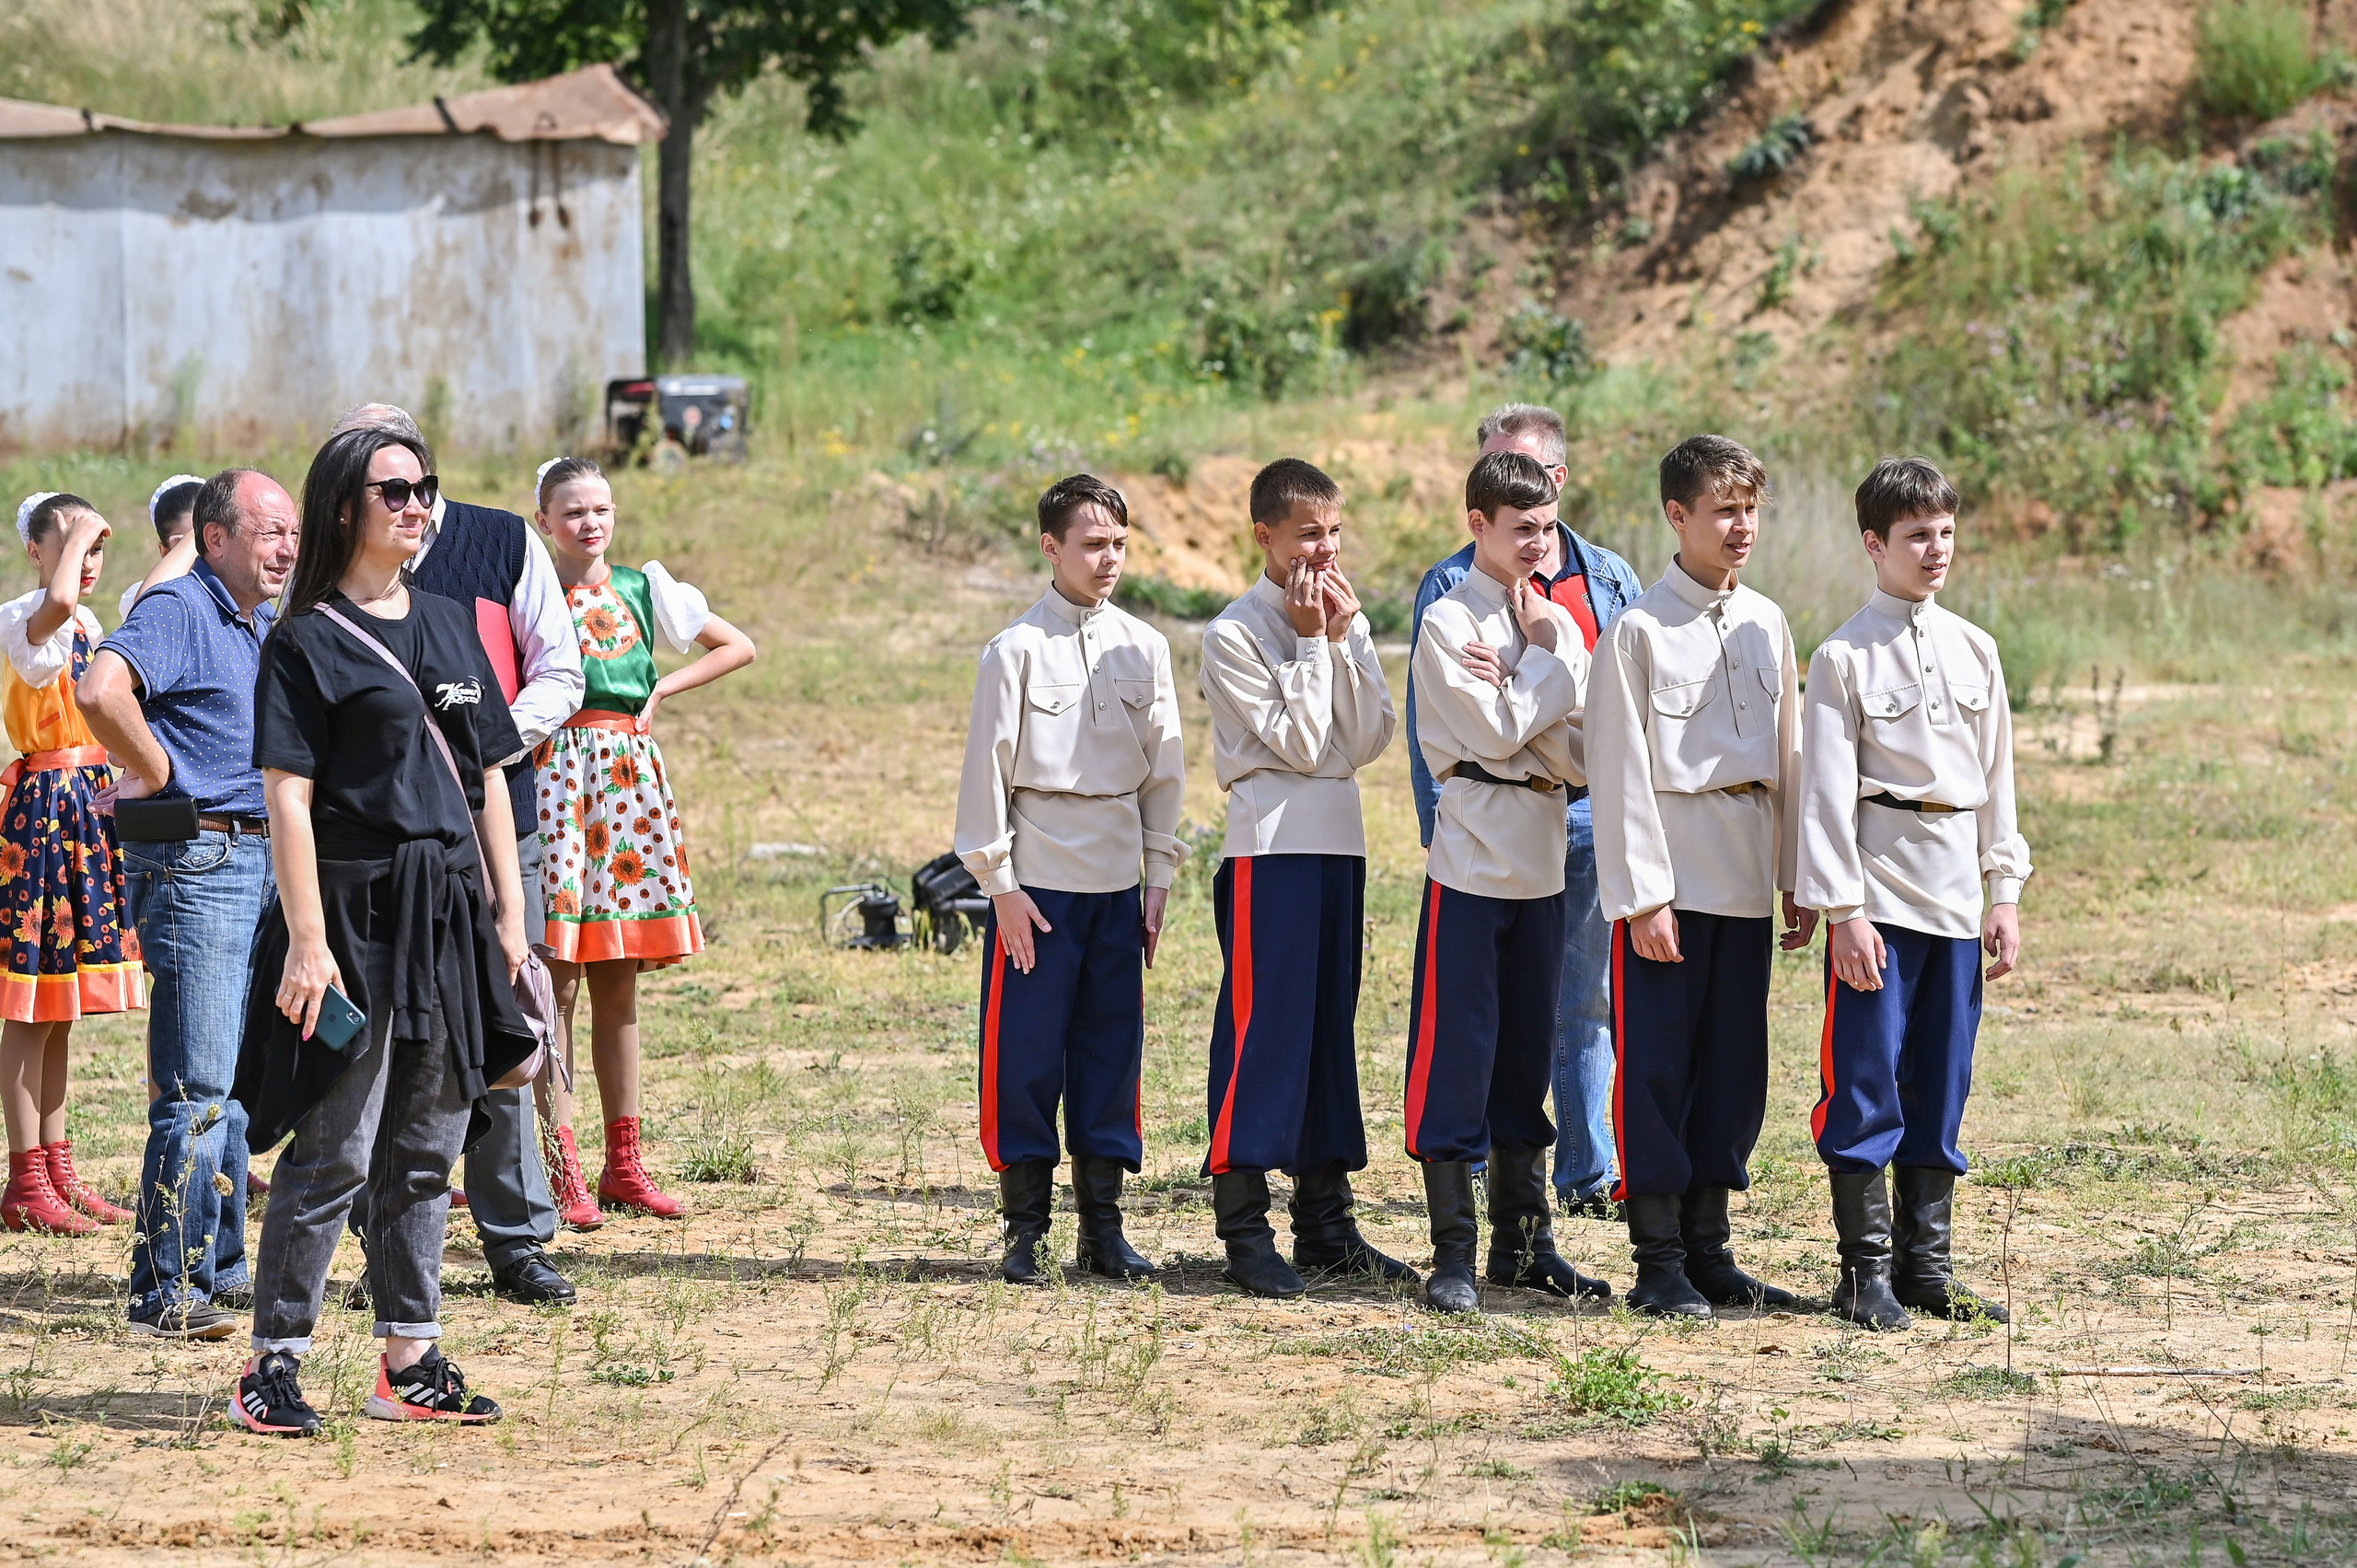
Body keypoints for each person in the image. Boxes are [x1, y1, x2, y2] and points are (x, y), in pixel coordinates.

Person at [231, 426, 534, 1435]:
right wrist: (308, 941)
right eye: (393, 488)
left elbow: (487, 774)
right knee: (335, 1147)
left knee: (426, 1144)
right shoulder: (305, 636)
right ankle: (273, 1360)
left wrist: (510, 919)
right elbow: (286, 796)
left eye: (425, 487)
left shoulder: (450, 621)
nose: (416, 504)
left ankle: (410, 1356)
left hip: (449, 911)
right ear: (344, 507)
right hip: (354, 913)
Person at [328, 404, 584, 1307]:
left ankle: (518, 1241)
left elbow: (562, 665)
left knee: (505, 1020)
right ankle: (382, 1245)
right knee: (388, 1041)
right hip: (383, 845)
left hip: (496, 825)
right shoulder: (335, 572)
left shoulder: (503, 542)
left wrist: (483, 738)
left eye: (400, 474)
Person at [1797, 457, 2031, 1330]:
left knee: (1942, 1080)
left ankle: (1925, 1268)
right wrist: (1844, 911)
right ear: (1874, 543)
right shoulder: (1842, 656)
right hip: (1882, 899)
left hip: (1956, 900)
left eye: (1945, 532)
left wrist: (2002, 890)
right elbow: (1825, 796)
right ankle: (1862, 1275)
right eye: (1916, 536)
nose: (1936, 550)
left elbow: (1997, 780)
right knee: (1865, 1084)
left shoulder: (1977, 647)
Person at [1587, 435, 1811, 1318]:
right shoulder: (1638, 629)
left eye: (1750, 507)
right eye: (1724, 509)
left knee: (1731, 1063)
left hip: (1747, 867)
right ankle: (1658, 1257)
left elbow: (1790, 754)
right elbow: (1618, 770)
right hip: (1673, 875)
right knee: (1657, 1066)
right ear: (1678, 516)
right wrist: (1643, 896)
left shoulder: (1768, 620)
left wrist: (1800, 876)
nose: (1741, 525)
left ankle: (1712, 1247)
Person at [1407, 405, 1642, 1218]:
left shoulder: (1562, 610)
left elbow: (1582, 750)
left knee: (1535, 1045)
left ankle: (1526, 1238)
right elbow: (1494, 729)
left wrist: (1529, 674)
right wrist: (1542, 667)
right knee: (1463, 1044)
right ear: (1480, 523)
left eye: (1547, 526)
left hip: (1548, 843)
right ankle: (1455, 1245)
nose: (1539, 543)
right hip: (1475, 850)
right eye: (1521, 528)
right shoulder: (1449, 616)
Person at [80, 470, 299, 1339]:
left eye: (291, 532)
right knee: (197, 1086)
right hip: (202, 857)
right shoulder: (179, 610)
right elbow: (100, 689)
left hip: (261, 854)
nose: (286, 547)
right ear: (215, 538)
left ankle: (218, 1269)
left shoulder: (260, 620)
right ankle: (163, 1289)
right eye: (269, 531)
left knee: (234, 1084)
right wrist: (162, 773)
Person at [954, 474, 1186, 1286]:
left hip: (1120, 877)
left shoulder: (1145, 647)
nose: (1109, 558)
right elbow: (986, 773)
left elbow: (1165, 774)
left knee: (1110, 1051)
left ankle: (1103, 1227)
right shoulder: (1014, 650)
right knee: (1026, 1054)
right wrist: (1002, 885)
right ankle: (1025, 1230)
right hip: (1040, 887)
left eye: (1119, 543)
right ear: (1050, 546)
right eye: (1092, 544)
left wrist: (1157, 879)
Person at [1197, 459, 1410, 1298]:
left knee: (1328, 1032)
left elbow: (1365, 738)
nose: (1322, 552)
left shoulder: (1338, 617)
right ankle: (1243, 1223)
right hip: (1269, 847)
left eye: (1332, 533)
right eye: (1305, 535)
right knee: (1264, 1032)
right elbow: (1296, 740)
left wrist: (1348, 639)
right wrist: (1316, 641)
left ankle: (1326, 1223)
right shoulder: (1236, 630)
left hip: (1338, 842)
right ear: (1265, 536)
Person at [528, 457, 755, 1219]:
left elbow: (737, 645)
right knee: (556, 978)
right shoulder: (528, 593)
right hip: (559, 777)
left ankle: (624, 1162)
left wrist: (663, 686)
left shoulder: (642, 585)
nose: (589, 522)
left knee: (618, 977)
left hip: (629, 783)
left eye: (600, 508)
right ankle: (560, 1166)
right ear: (544, 522)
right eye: (572, 511)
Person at [0, 494, 145, 1236]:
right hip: (44, 814)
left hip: (85, 809)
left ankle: (56, 1168)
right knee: (29, 1006)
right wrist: (83, 529)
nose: (85, 565)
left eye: (94, 550)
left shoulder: (88, 622)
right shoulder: (24, 618)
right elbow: (53, 607)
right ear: (35, 551)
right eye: (69, 546)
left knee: (59, 1011)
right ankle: (25, 1175)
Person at [118, 474, 203, 619]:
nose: (198, 553)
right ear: (164, 551)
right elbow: (150, 608)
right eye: (183, 544)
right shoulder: (139, 596)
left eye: (205, 539)